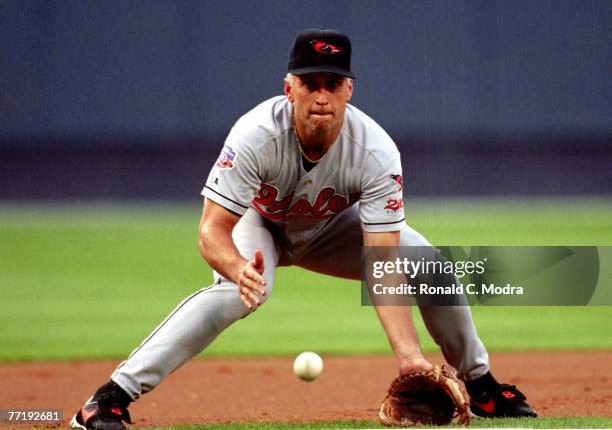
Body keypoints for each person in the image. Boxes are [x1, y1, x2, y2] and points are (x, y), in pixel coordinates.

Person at [70, 28, 537, 430]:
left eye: (332, 84)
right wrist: (237, 268)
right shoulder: (254, 134)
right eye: (309, 83)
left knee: (429, 263)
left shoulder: (375, 152)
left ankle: (480, 384)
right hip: (260, 226)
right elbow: (211, 230)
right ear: (288, 88)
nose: (321, 95)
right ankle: (110, 398)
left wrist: (409, 356)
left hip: (328, 230)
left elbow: (382, 262)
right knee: (237, 294)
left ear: (348, 90)